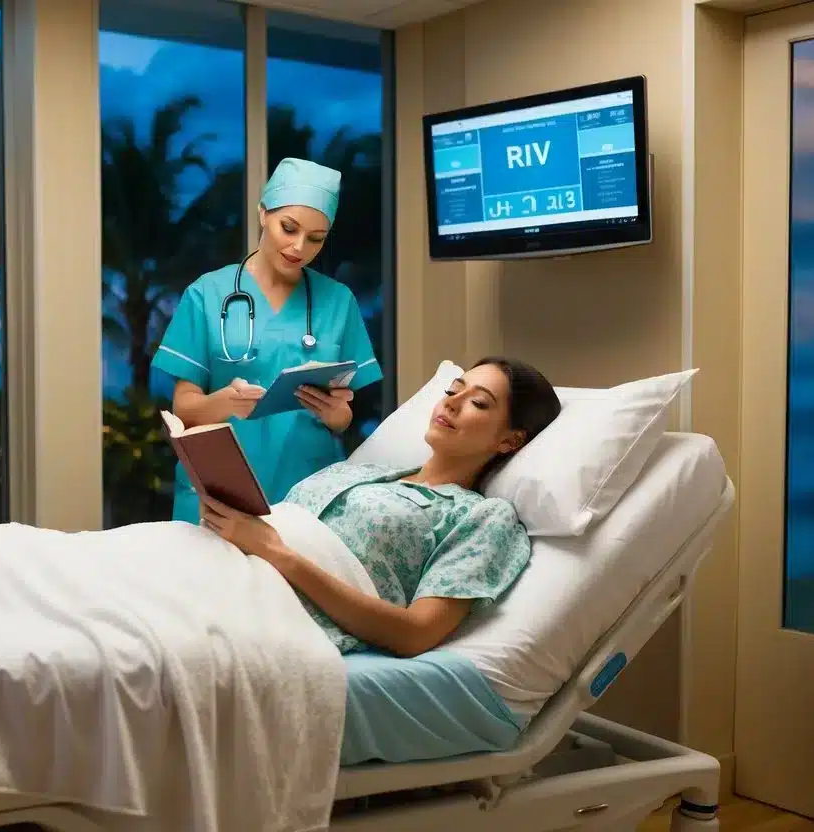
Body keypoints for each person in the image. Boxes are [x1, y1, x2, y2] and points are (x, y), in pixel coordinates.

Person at [200, 356, 562, 659]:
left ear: (510, 441)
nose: (451, 403)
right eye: (453, 390)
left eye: (478, 402)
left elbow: (414, 634)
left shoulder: (481, 516)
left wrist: (275, 553)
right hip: (219, 570)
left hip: (269, 612)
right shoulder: (358, 472)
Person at [152, 157, 384, 525]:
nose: (299, 247)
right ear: (263, 213)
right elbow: (184, 410)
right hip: (222, 492)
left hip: (307, 495)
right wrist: (224, 402)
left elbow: (343, 418)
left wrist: (335, 413)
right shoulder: (206, 294)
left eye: (316, 238)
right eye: (288, 228)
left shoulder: (338, 301)